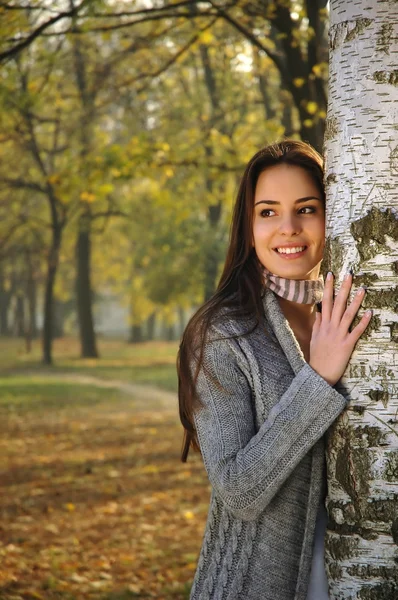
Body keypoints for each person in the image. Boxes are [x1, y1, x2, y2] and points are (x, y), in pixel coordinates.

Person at [177, 140, 372, 600]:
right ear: (248, 228)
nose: (288, 228)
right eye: (267, 212)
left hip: (361, 569)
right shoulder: (222, 333)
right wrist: (317, 379)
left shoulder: (356, 311)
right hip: (256, 583)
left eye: (306, 209)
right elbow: (237, 492)